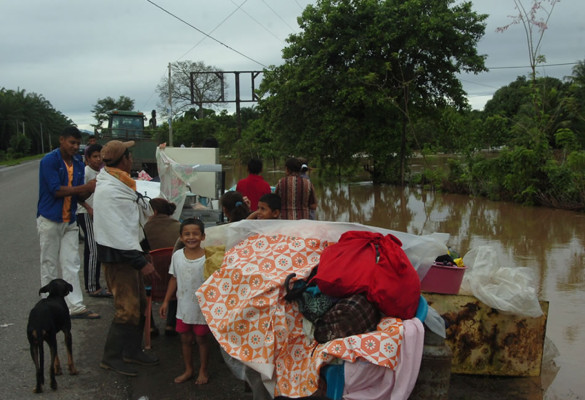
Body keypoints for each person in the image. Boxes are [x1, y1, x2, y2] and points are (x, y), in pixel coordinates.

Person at [94, 139, 160, 377]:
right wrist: (141, 262)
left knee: (139, 305)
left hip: (128, 255)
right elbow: (117, 233)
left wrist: (144, 253)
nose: (132, 159)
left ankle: (132, 351)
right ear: (124, 159)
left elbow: (130, 227)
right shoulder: (111, 191)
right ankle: (111, 358)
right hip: (119, 259)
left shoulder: (119, 184)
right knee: (127, 309)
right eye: (129, 155)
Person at [37, 126, 99, 319]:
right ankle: (48, 304)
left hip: (69, 219)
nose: (75, 146)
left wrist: (93, 188)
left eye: (77, 143)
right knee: (49, 263)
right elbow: (56, 190)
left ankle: (75, 305)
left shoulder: (78, 164)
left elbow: (79, 194)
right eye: (72, 142)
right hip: (50, 219)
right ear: (61, 140)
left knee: (71, 262)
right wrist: (85, 186)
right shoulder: (49, 161)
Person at [160, 218, 210, 384]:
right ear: (181, 237)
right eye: (187, 234)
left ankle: (203, 370)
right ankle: (189, 369)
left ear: (203, 236)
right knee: (185, 339)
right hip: (183, 308)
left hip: (202, 309)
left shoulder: (209, 258)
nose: (191, 237)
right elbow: (173, 279)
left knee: (202, 340)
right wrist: (166, 301)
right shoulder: (177, 256)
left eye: (195, 233)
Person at [77, 143, 111, 298]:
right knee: (93, 250)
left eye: (100, 156)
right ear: (88, 158)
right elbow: (78, 194)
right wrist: (88, 208)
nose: (98, 160)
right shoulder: (86, 172)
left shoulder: (102, 172)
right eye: (95, 156)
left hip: (96, 214)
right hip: (86, 213)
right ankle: (92, 287)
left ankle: (94, 283)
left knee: (96, 248)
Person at [144, 198, 181, 336]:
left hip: (151, 280)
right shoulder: (179, 227)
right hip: (174, 283)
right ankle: (171, 324)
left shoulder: (143, 229)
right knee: (177, 272)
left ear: (154, 211)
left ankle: (151, 326)